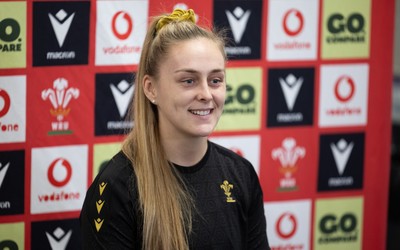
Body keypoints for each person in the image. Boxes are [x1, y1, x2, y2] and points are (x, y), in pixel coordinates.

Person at [80, 8, 270, 250]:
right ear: (151, 89)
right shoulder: (117, 187)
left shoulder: (240, 173)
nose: (206, 94)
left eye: (215, 80)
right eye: (188, 80)